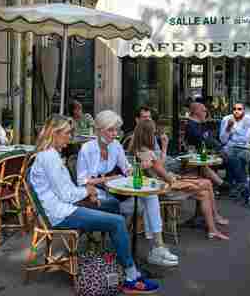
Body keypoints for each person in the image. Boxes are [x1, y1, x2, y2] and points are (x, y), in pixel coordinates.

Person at [29, 115, 160, 294]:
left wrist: (87, 194)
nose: (70, 137)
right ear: (55, 133)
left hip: (65, 206)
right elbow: (66, 194)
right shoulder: (49, 157)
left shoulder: (51, 155)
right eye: (67, 133)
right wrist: (88, 192)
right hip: (61, 214)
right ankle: (131, 276)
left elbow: (66, 190)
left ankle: (115, 256)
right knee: (117, 222)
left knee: (113, 204)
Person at [75, 110, 179, 267]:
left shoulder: (115, 146)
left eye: (116, 130)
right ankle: (129, 253)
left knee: (150, 196)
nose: (114, 134)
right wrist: (109, 179)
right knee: (138, 205)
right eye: (110, 130)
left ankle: (158, 246)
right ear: (99, 130)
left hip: (116, 192)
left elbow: (127, 169)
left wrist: (139, 166)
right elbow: (82, 181)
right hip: (96, 194)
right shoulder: (87, 149)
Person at [130, 120, 229, 240]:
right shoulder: (148, 153)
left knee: (204, 190)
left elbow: (159, 168)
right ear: (148, 134)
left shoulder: (138, 150)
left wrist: (180, 178)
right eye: (153, 132)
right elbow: (165, 176)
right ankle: (213, 225)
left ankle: (213, 227)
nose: (155, 134)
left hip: (157, 184)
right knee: (205, 185)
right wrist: (185, 182)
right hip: (162, 189)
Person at [184, 103, 230, 192]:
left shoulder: (201, 124)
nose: (206, 113)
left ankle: (226, 184)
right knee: (228, 158)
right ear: (197, 112)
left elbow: (209, 138)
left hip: (206, 152)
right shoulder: (191, 126)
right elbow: (201, 141)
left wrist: (219, 147)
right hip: (198, 154)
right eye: (204, 111)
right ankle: (223, 185)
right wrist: (217, 149)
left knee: (232, 157)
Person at [219, 102, 250, 199]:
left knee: (236, 157)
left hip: (244, 148)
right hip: (229, 147)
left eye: (239, 109)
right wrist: (228, 128)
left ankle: (232, 185)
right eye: (234, 109)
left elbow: (248, 139)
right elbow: (223, 140)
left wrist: (234, 131)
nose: (236, 111)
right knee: (231, 156)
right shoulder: (226, 119)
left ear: (244, 110)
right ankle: (244, 184)